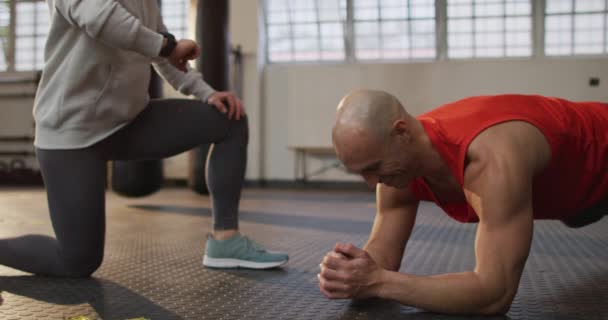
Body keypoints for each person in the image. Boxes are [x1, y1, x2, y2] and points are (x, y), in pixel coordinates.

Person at [0, 0, 288, 277]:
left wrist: (207, 92)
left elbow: (162, 54)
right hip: (72, 133)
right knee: (77, 261)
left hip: (128, 123)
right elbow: (102, 18)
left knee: (229, 120)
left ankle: (226, 240)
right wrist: (168, 45)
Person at [318, 89, 607, 315]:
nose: (372, 183)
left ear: (402, 133)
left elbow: (495, 294)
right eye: (362, 173)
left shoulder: (489, 159)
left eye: (374, 167)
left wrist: (377, 282)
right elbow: (383, 256)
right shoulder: (396, 165)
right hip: (577, 199)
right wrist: (352, 273)